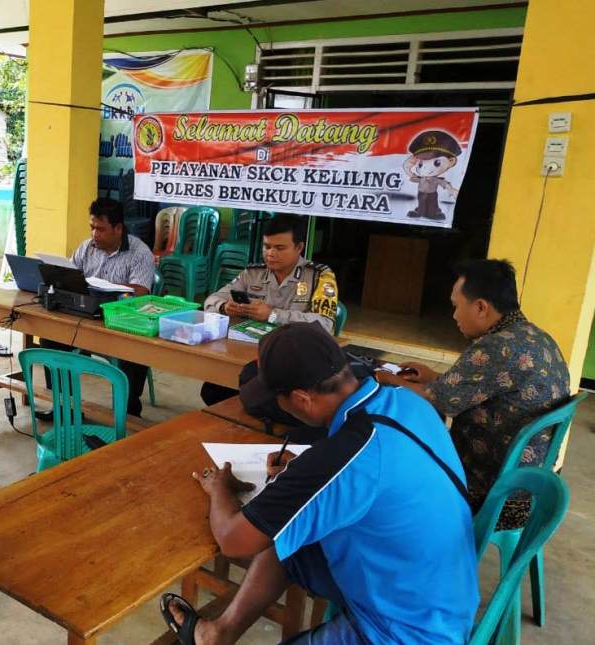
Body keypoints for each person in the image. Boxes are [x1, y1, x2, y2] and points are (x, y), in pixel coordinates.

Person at [162, 322, 479, 644]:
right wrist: (303, 475)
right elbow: (373, 474)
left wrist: (220, 488)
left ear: (301, 399)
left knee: (266, 529)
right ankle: (218, 633)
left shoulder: (342, 454)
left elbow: (233, 540)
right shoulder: (404, 401)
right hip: (444, 591)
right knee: (288, 531)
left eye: (278, 399)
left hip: (408, 629)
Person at [375, 259, 570, 529]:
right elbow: (481, 387)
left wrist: (386, 378)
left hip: (497, 497)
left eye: (456, 306)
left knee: (394, 473)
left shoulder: (497, 347)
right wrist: (432, 377)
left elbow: (442, 400)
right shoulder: (534, 336)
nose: (453, 316)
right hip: (535, 488)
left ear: (480, 307)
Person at [201, 215, 339, 409]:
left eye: (279, 248)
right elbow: (210, 300)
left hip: (293, 360)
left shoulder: (319, 276)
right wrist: (225, 306)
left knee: (249, 397)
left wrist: (273, 315)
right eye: (267, 247)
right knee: (212, 389)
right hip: (249, 351)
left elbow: (326, 324)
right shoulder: (253, 273)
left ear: (299, 247)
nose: (270, 254)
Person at [38, 197, 155, 418]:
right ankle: (64, 407)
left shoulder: (140, 253)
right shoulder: (87, 247)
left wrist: (109, 289)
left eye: (100, 229)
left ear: (118, 228)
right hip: (86, 315)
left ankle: (128, 415)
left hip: (121, 322)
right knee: (50, 337)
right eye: (92, 227)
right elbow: (70, 274)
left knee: (135, 350)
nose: (94, 234)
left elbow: (140, 292)